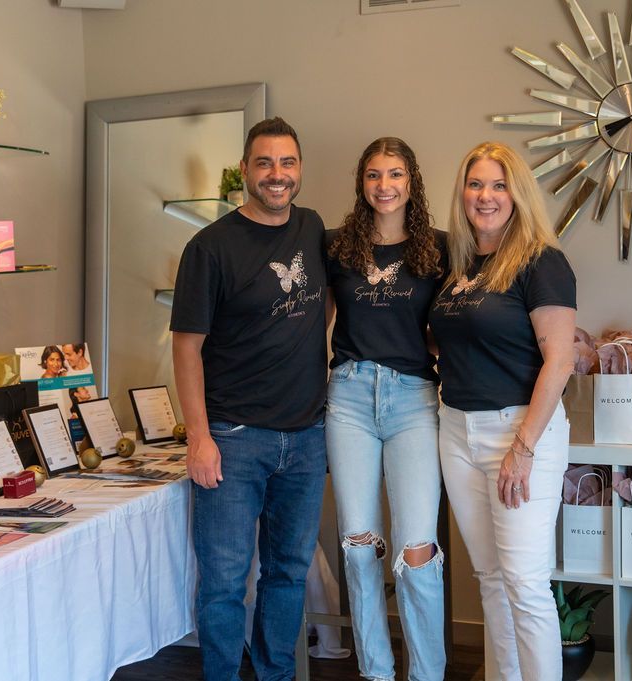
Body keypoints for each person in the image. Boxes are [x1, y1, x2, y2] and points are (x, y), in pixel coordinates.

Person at [170, 117, 328, 681]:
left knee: (287, 573)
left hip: (308, 439)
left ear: (300, 169)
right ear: (245, 171)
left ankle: (275, 675)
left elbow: (326, 305)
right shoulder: (209, 248)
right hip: (235, 440)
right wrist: (200, 438)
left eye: (287, 163)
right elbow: (187, 349)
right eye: (264, 163)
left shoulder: (312, 229)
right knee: (223, 582)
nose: (276, 175)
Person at [429, 142, 576, 681]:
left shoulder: (542, 261)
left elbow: (559, 360)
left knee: (524, 582)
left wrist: (523, 448)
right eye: (475, 185)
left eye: (497, 185)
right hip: (456, 430)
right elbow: (451, 339)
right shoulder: (460, 266)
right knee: (490, 577)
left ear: (517, 194)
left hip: (518, 432)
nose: (485, 196)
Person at [325, 137, 446, 681]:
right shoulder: (336, 249)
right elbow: (307, 321)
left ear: (411, 181)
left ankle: (426, 674)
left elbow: (457, 324)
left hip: (413, 400)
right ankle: (375, 671)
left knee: (417, 550)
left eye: (394, 174)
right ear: (362, 183)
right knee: (356, 547)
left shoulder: (438, 249)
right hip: (348, 395)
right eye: (373, 175)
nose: (384, 186)